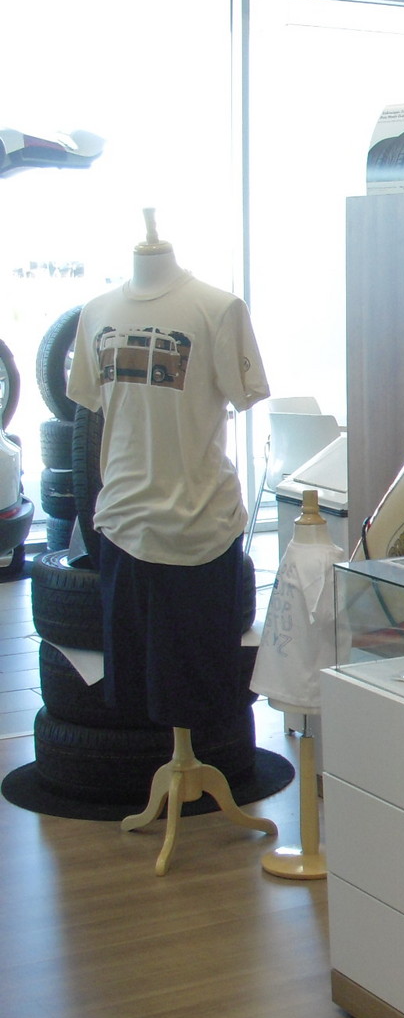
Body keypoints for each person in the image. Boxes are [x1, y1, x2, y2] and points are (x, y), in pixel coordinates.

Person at [66, 214, 270, 731]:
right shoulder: (95, 313)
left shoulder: (219, 309)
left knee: (201, 695)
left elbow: (245, 394)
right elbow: (93, 401)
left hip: (200, 529)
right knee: (135, 694)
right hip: (124, 524)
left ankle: (201, 771)